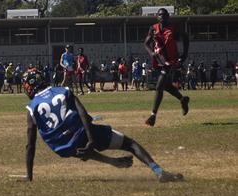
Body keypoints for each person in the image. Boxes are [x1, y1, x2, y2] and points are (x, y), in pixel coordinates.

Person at [20, 67, 183, 183]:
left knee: (77, 144)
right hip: (81, 135)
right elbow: (83, 114)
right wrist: (91, 139)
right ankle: (159, 171)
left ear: (28, 86)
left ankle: (112, 162)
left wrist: (29, 176)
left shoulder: (32, 108)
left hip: (63, 147)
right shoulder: (63, 91)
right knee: (130, 143)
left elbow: (30, 145)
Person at [143, 8, 190, 127]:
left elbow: (185, 37)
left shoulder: (173, 28)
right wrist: (151, 53)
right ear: (157, 17)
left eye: (164, 15)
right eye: (160, 15)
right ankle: (182, 99)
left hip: (171, 61)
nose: (162, 17)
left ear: (168, 16)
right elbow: (146, 43)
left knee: (159, 86)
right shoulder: (153, 28)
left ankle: (153, 115)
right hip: (158, 61)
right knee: (166, 86)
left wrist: (184, 54)